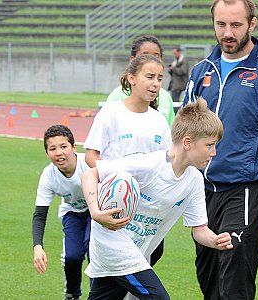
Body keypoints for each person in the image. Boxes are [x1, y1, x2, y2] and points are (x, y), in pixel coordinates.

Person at [183, 0, 258, 298]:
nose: (227, 32)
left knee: (234, 271)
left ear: (252, 24)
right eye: (220, 24)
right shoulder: (201, 71)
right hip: (203, 189)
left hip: (247, 188)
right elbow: (184, 131)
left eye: (235, 25)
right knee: (208, 275)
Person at [81, 98, 233, 299]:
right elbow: (90, 174)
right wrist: (96, 212)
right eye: (210, 145)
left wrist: (215, 240)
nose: (214, 153)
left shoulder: (194, 180)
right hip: (112, 243)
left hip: (136, 251)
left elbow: (200, 230)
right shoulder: (150, 164)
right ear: (188, 142)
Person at [84, 54, 172, 269]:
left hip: (147, 214)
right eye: (149, 76)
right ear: (131, 78)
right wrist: (117, 183)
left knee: (140, 271)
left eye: (160, 78)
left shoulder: (159, 121)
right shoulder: (111, 113)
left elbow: (166, 163)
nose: (155, 84)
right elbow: (90, 155)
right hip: (115, 208)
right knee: (112, 277)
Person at [32, 125, 91, 300]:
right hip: (72, 212)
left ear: (74, 147)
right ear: (47, 153)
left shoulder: (88, 164)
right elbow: (40, 214)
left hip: (97, 211)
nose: (58, 153)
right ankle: (72, 294)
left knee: (94, 251)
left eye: (63, 147)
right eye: (52, 148)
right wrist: (38, 246)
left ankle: (99, 295)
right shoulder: (48, 175)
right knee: (71, 257)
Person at [106, 34, 175, 127]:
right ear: (132, 60)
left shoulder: (165, 97)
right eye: (145, 56)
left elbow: (172, 135)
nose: (151, 61)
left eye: (156, 56)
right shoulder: (117, 97)